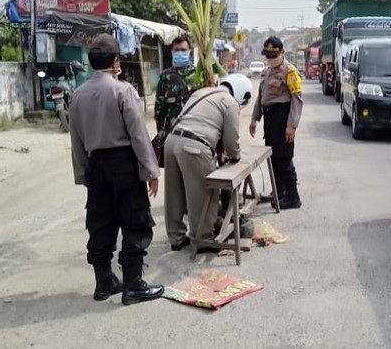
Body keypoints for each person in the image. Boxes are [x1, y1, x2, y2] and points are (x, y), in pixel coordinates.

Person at [69, 34, 164, 306]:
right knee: (135, 222)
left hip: (96, 167)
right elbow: (138, 135)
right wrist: (151, 171)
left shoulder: (77, 95)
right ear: (115, 61)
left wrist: (83, 174)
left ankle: (104, 282)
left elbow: (76, 140)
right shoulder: (123, 91)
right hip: (124, 164)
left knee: (101, 223)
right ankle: (133, 285)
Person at [164, 74, 253, 251]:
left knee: (174, 192)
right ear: (242, 95)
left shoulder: (202, 92)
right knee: (204, 194)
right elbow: (231, 140)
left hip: (171, 142)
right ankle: (203, 238)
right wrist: (235, 156)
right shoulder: (230, 103)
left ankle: (176, 237)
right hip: (195, 147)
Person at [249, 36, 304, 210]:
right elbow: (261, 97)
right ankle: (279, 191)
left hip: (283, 117)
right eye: (268, 56)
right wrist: (254, 118)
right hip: (270, 119)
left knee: (284, 158)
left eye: (274, 55)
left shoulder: (290, 71)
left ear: (282, 53)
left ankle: (293, 197)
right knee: (272, 156)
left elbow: (297, 100)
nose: (271, 59)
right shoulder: (266, 72)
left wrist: (292, 125)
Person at [155, 35, 198, 137]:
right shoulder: (165, 77)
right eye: (176, 50)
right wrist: (161, 129)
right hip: (172, 132)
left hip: (195, 131)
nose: (180, 53)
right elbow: (159, 107)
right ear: (172, 52)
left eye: (183, 50)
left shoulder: (198, 74)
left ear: (189, 51)